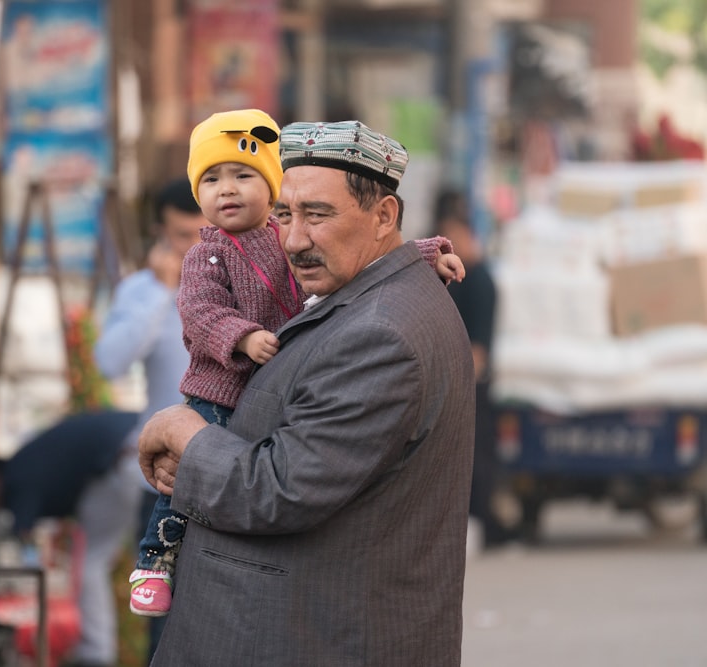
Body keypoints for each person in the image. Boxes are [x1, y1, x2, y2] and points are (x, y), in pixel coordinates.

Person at [138, 120, 476, 666]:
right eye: (283, 216)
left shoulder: (380, 334)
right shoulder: (371, 295)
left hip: (320, 640)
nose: (294, 240)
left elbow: (281, 489)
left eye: (317, 215)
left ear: (384, 216)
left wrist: (184, 434)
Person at [93, 176, 206, 662]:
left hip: (234, 475)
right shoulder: (142, 291)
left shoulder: (243, 288)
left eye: (206, 234)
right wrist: (163, 293)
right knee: (163, 622)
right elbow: (109, 362)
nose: (197, 248)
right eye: (183, 237)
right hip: (162, 484)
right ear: (161, 234)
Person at [2, 409, 141, 667]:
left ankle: (95, 654)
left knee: (91, 563)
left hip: (123, 459)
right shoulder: (32, 457)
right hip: (138, 446)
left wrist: (30, 570)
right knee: (152, 561)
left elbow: (24, 538)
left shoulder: (16, 474)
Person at [434, 191, 506, 547]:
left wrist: (462, 386)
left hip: (471, 385)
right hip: (450, 381)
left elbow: (480, 346)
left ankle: (482, 524)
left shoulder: (480, 280)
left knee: (477, 460)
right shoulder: (451, 276)